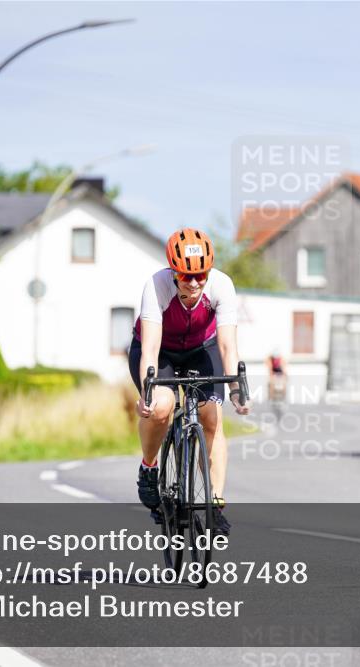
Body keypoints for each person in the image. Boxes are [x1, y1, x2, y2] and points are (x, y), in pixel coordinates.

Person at [128, 228, 249, 536]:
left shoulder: (222, 285)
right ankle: (149, 466)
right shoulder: (156, 286)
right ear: (173, 271)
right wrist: (147, 391)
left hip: (201, 349)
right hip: (161, 352)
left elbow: (227, 346)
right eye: (186, 276)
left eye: (201, 275)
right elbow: (152, 349)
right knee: (161, 407)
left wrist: (236, 388)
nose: (194, 284)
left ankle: (214, 504)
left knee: (212, 416)